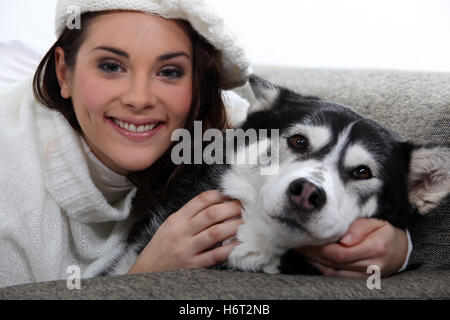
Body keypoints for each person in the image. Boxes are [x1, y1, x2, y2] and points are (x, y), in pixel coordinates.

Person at [0, 0, 410, 288]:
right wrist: (140, 280)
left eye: (170, 71)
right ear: (64, 73)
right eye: (111, 66)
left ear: (200, 87)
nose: (140, 98)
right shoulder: (11, 195)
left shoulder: (229, 126)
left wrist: (399, 249)